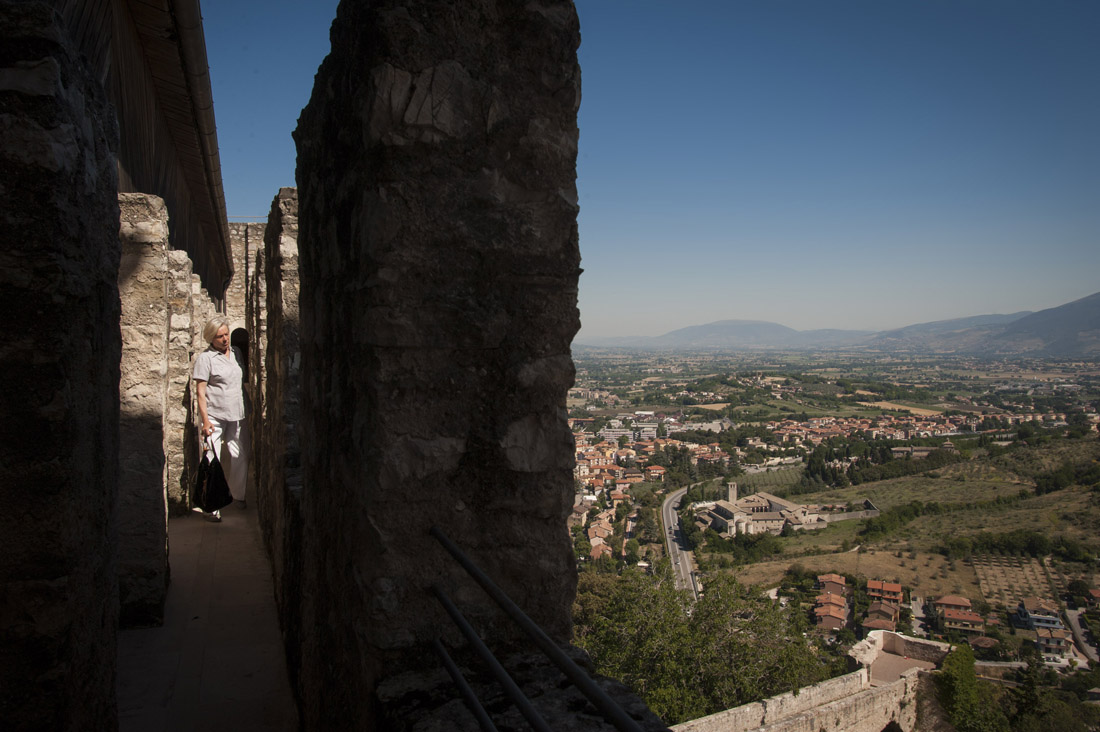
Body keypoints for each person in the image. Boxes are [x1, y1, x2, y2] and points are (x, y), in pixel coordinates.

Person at [193, 315, 248, 520]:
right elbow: (200, 391)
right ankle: (212, 505)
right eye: (220, 336)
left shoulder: (236, 353)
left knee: (240, 454)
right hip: (215, 415)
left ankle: (238, 495)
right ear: (211, 338)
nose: (225, 339)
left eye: (226, 334)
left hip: (238, 413)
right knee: (210, 457)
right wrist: (205, 420)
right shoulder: (205, 359)